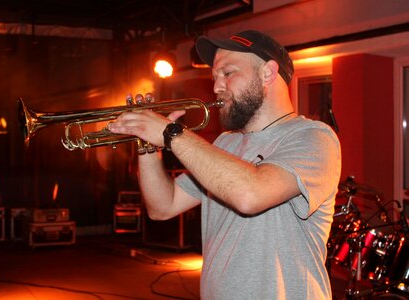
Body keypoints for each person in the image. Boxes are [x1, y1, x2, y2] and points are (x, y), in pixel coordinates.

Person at [110, 30, 341, 299]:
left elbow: (251, 194)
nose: (217, 86)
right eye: (215, 77)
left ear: (267, 73)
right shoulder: (224, 143)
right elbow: (162, 207)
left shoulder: (313, 137)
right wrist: (147, 144)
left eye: (228, 73)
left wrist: (172, 133)